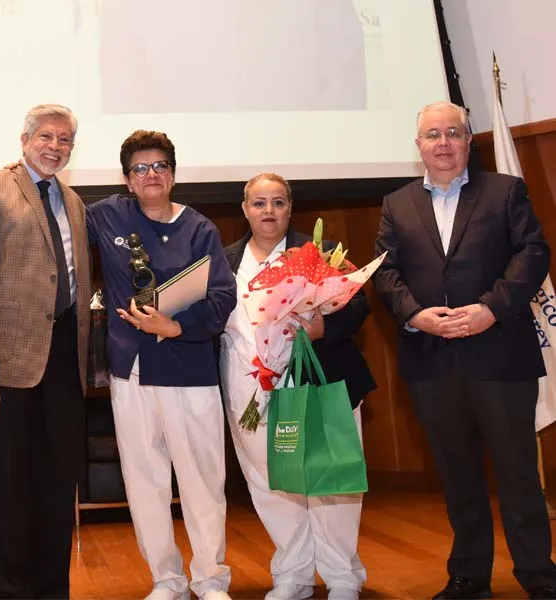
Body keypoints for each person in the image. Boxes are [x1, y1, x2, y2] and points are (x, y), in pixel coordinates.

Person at [373, 101, 556, 600]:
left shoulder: (506, 191)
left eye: (453, 132)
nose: (443, 143)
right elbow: (384, 273)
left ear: (468, 139)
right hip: (433, 361)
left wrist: (491, 309)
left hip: (500, 356)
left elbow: (533, 252)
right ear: (419, 146)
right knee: (458, 475)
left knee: (518, 473)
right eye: (433, 134)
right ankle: (469, 576)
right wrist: (415, 314)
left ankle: (539, 576)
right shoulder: (397, 203)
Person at [86, 130, 236, 600]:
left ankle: (210, 579)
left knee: (202, 480)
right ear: (127, 179)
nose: (151, 175)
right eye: (140, 169)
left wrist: (177, 328)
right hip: (130, 370)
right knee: (144, 479)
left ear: (173, 173)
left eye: (160, 167)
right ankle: (166, 580)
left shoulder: (200, 228)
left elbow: (222, 296)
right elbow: (54, 214)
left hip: (188, 368)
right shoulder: (105, 215)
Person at [0, 104, 91, 599]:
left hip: (63, 361)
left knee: (56, 483)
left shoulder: (73, 201)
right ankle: (10, 592)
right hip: (3, 359)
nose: (55, 147)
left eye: (65, 140)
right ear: (25, 139)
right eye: (46, 137)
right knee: (5, 487)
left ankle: (52, 589)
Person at [219, 173, 376, 600]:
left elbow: (357, 301)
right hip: (249, 389)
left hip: (319, 382)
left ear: (291, 207)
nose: (268, 211)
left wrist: (324, 325)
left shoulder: (320, 253)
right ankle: (293, 574)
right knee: (268, 482)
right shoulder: (224, 259)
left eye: (278, 202)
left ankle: (343, 576)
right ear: (245, 208)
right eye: (259, 203)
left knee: (332, 481)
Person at [98, 0, 366, 114]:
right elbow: (122, 91)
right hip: (177, 159)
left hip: (295, 150)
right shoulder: (126, 10)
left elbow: (345, 85)